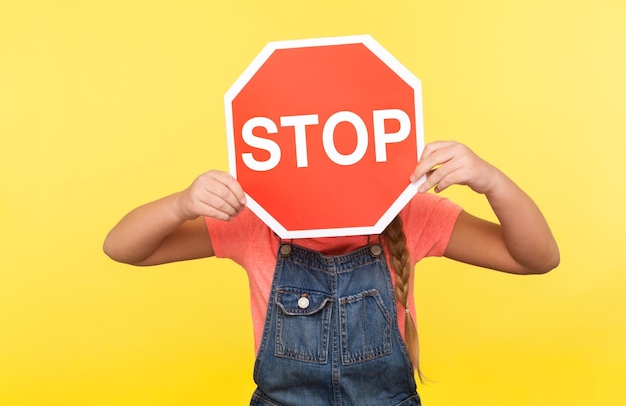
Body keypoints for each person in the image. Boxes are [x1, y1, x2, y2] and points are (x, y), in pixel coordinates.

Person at [103, 140, 559, 406]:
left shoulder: (411, 215)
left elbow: (536, 257)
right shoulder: (252, 224)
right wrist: (183, 202)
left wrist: (492, 180)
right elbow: (124, 248)